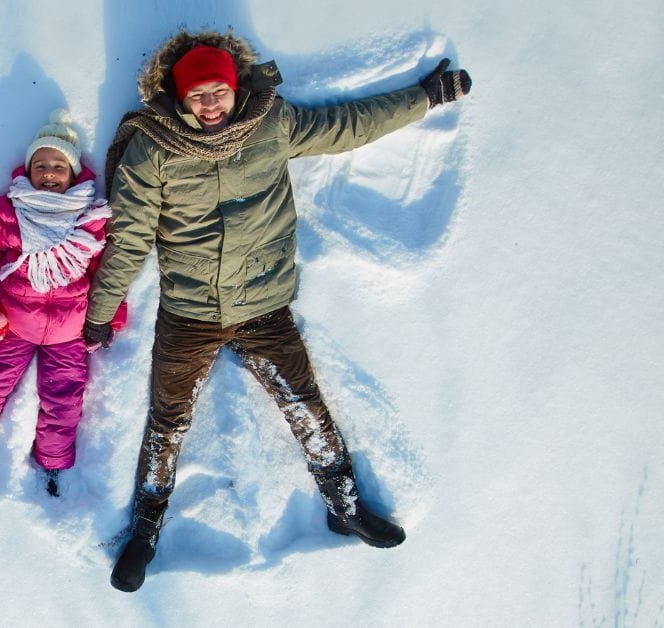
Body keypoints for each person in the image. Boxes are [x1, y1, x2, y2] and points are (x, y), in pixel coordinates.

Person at [83, 31, 471, 592]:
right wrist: (102, 310)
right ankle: (146, 530)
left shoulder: (270, 124)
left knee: (304, 402)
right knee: (168, 419)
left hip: (264, 304)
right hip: (188, 313)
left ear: (236, 89)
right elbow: (131, 236)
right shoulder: (153, 148)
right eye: (199, 95)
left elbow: (349, 125)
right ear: (179, 97)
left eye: (219, 91)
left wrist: (426, 97)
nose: (211, 104)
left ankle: (344, 503)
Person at [0, 110, 126, 496]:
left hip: (70, 332)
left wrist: (110, 317)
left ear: (73, 172)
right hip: (12, 323)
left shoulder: (89, 219)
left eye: (58, 166)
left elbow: (106, 272)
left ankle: (54, 463)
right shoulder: (10, 212)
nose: (49, 173)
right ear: (29, 170)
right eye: (41, 166)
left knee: (63, 398)